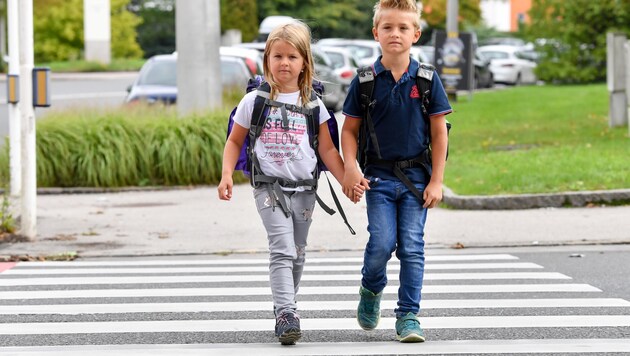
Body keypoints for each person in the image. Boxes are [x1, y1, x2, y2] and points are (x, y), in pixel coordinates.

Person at [218, 20, 365, 345]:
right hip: (268, 187)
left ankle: (285, 309)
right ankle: (287, 312)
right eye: (278, 56)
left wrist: (346, 181)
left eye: (292, 57)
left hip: (305, 190)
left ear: (304, 63)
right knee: (282, 249)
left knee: (297, 253)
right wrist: (227, 173)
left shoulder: (313, 105)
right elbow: (233, 141)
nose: (284, 63)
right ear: (267, 59)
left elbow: (327, 149)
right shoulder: (254, 101)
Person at [340, 0, 452, 343]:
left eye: (403, 28)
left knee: (412, 247)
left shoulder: (427, 80)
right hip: (378, 179)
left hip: (417, 180)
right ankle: (371, 290)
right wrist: (350, 168)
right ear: (376, 33)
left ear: (415, 34)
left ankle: (408, 316)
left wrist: (437, 180)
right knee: (382, 243)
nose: (395, 33)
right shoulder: (365, 81)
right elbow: (349, 130)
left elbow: (439, 130)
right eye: (388, 27)